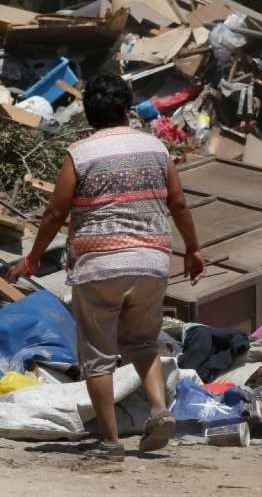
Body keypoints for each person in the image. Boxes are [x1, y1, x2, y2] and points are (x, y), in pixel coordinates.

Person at [8, 74, 205, 461]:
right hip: (150, 261)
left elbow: (55, 211)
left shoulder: (80, 153)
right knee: (144, 343)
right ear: (127, 109)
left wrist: (32, 258)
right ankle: (160, 410)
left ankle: (111, 441)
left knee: (97, 356)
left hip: (99, 265)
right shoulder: (156, 148)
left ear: (89, 112)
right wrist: (193, 250)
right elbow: (178, 203)